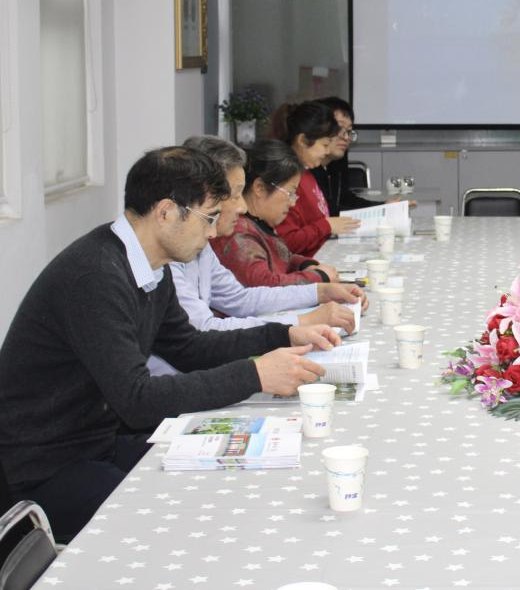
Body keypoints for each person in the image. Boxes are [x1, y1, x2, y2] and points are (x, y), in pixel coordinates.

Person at [0, 147, 340, 541]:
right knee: (181, 522)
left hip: (96, 443)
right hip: (44, 467)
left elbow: (189, 348)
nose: (212, 234)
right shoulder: (95, 276)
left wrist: (281, 335)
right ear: (165, 212)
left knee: (224, 486)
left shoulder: (149, 267)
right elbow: (136, 398)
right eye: (208, 218)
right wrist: (255, 374)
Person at [148, 136, 369, 376]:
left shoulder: (200, 245)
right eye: (235, 195)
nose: (242, 207)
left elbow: (240, 298)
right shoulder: (168, 256)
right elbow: (203, 331)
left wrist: (319, 292)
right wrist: (301, 323)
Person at [213, 140, 343, 287]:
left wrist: (305, 265)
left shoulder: (257, 223)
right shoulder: (237, 232)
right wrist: (319, 276)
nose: (292, 203)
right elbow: (264, 285)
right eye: (290, 193)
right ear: (260, 188)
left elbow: (282, 256)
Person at [271, 101, 360, 256]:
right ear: (302, 141)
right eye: (324, 145)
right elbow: (286, 242)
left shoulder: (308, 173)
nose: (327, 152)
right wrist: (326, 226)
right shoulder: (286, 180)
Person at [313, 96, 381, 216]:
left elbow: (344, 199)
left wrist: (384, 206)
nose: (346, 137)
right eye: (339, 128)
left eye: (349, 131)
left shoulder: (338, 158)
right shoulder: (306, 166)